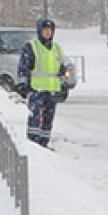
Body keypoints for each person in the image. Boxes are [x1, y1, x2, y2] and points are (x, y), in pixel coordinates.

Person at [15, 17, 73, 149]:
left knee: (48, 119)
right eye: (45, 30)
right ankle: (33, 144)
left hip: (52, 90)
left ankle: (44, 143)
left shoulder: (57, 48)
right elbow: (24, 67)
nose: (48, 33)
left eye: (50, 30)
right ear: (39, 31)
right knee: (35, 118)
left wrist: (63, 80)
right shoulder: (32, 47)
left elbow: (62, 66)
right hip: (37, 89)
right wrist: (23, 84)